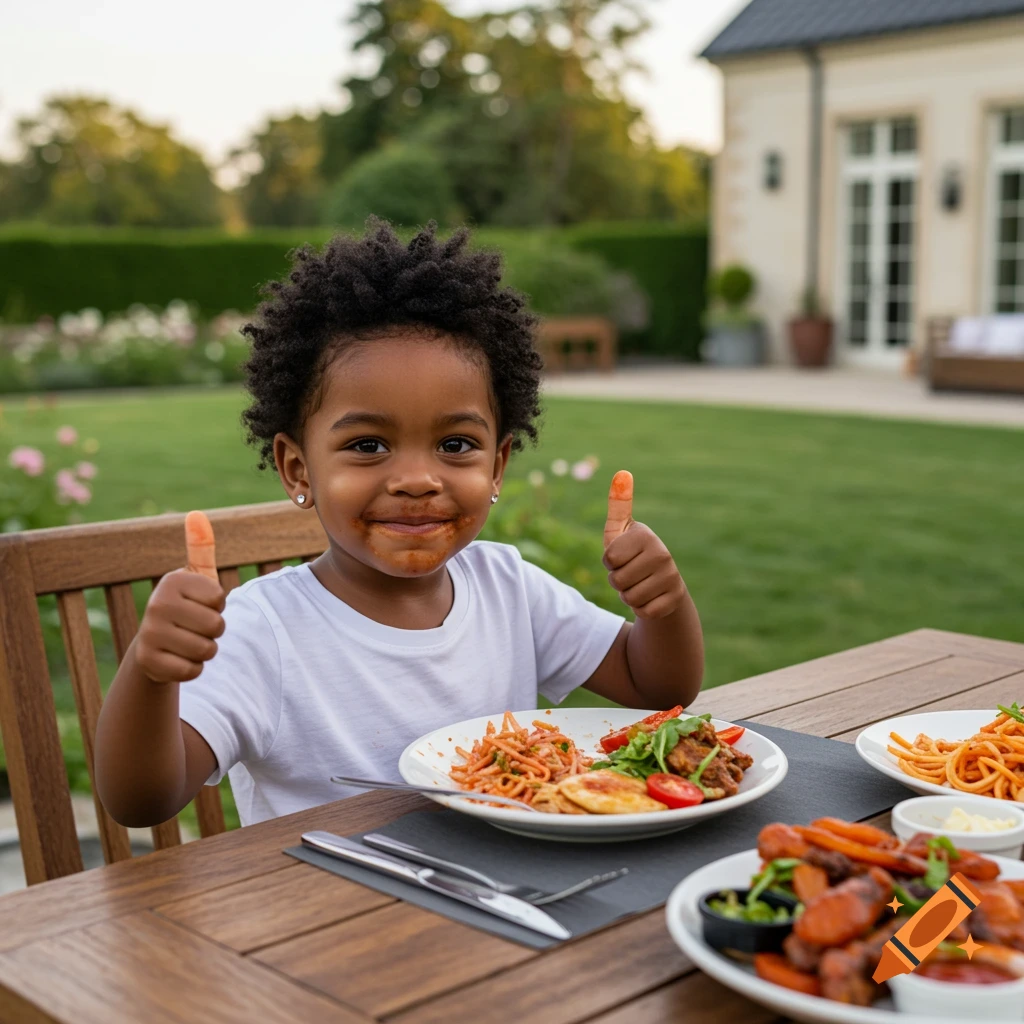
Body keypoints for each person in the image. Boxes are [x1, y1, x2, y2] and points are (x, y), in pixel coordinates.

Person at [94, 220, 704, 828]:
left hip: (501, 897)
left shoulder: (508, 588)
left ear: (498, 464)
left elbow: (655, 684)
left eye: (456, 443)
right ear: (298, 469)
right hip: (330, 912)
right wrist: (150, 673)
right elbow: (140, 799)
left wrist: (663, 606)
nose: (417, 478)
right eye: (367, 445)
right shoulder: (264, 632)